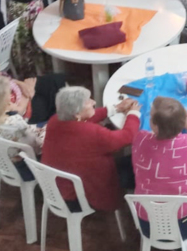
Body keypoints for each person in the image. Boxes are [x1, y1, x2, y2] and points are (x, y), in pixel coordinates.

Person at [41, 86, 139, 214]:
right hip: (79, 197)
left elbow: (83, 119)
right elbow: (128, 137)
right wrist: (133, 113)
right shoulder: (92, 133)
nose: (93, 102)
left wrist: (115, 109)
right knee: (137, 165)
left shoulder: (55, 120)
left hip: (57, 187)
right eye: (88, 101)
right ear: (76, 113)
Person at [131, 97, 187, 250]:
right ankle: (181, 247)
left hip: (148, 225)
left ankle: (176, 249)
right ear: (181, 123)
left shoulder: (140, 140)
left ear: (154, 125)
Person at [0, 76, 45, 164]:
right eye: (8, 97)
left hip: (5, 163)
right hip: (28, 166)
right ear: (5, 105)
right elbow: (37, 147)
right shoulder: (16, 123)